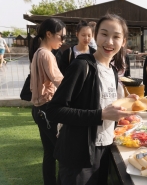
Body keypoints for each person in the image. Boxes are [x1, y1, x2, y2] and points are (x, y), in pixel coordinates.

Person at [46, 13, 138, 185]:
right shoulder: (82, 66)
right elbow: (54, 110)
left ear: (124, 41)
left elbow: (101, 103)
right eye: (104, 34)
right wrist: (100, 115)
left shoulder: (112, 71)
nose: (109, 42)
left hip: (105, 149)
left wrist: (126, 102)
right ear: (96, 36)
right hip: (78, 155)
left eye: (116, 37)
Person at [29, 18, 66, 185]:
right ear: (49, 34)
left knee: (49, 151)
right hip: (46, 110)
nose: (63, 41)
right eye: (61, 36)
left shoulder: (38, 52)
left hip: (38, 110)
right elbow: (60, 82)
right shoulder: (47, 54)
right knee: (62, 151)